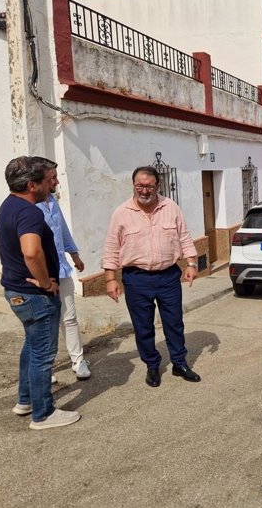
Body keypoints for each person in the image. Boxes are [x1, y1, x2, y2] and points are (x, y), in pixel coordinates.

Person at [0, 156, 81, 430]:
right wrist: (46, 283)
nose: (55, 183)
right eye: (50, 179)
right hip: (34, 296)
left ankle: (26, 400)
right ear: (32, 185)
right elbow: (31, 251)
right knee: (43, 353)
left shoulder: (9, 205)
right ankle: (43, 413)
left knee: (32, 346)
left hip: (16, 291)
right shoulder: (30, 212)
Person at [102, 166, 200, 388]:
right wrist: (110, 279)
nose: (144, 191)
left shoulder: (171, 207)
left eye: (149, 186)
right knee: (143, 326)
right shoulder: (121, 213)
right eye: (140, 186)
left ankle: (179, 363)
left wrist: (191, 263)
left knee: (174, 323)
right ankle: (152, 366)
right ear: (133, 186)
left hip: (168, 277)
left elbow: (184, 237)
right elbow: (111, 248)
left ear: (158, 186)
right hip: (136, 279)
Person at [36, 192, 91, 380]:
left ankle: (78, 361)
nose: (56, 182)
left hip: (62, 269)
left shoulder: (52, 201)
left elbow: (63, 230)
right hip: (41, 272)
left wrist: (74, 254)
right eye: (52, 178)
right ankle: (46, 368)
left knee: (69, 317)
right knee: (46, 321)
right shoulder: (30, 205)